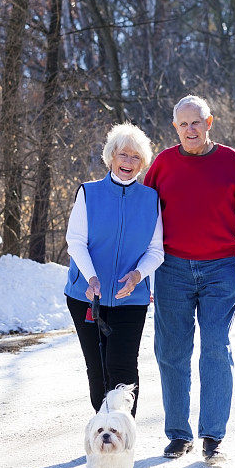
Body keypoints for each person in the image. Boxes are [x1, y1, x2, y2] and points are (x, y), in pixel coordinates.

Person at [144, 95, 235, 463]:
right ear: (174, 128)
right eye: (182, 124)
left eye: (196, 122)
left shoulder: (232, 163)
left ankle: (213, 434)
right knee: (171, 351)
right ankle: (179, 434)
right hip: (172, 270)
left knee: (215, 345)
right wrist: (138, 268)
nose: (189, 130)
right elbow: (142, 217)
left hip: (220, 268)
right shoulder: (163, 165)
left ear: (209, 122)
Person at [65, 122, 164, 417]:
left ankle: (122, 433)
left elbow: (156, 251)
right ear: (111, 157)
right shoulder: (89, 193)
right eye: (123, 155)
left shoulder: (150, 200)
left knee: (121, 368)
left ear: (142, 164)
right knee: (97, 368)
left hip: (130, 299)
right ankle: (103, 430)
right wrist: (91, 278)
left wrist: (137, 276)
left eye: (136, 158)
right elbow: (75, 242)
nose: (128, 163)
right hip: (86, 296)